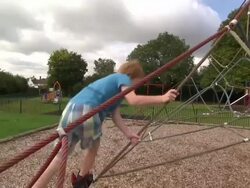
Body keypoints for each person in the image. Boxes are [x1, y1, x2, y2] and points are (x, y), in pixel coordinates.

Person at [32, 60, 179, 188]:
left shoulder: (111, 89)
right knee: (93, 148)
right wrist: (162, 98)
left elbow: (115, 115)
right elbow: (133, 100)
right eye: (137, 82)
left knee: (59, 156)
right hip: (88, 110)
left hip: (70, 109)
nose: (136, 86)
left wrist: (129, 134)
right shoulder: (123, 78)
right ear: (132, 76)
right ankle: (81, 181)